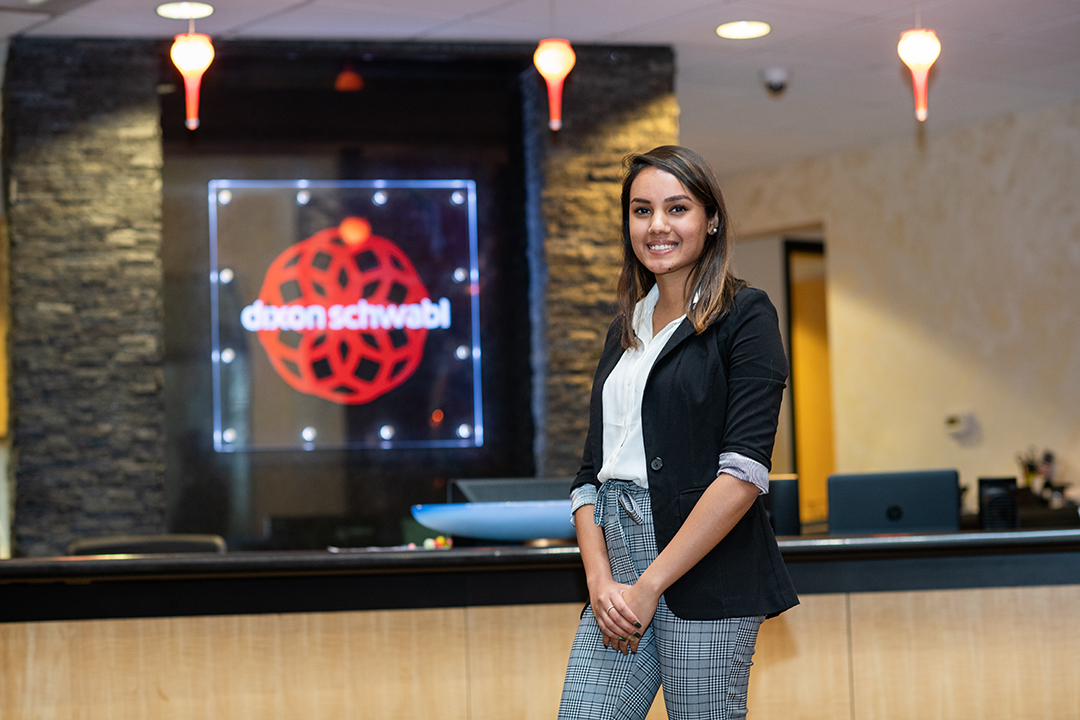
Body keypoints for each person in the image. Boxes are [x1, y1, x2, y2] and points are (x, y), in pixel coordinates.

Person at [558, 145, 798, 720]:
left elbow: (743, 473)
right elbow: (591, 474)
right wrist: (602, 580)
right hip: (615, 569)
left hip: (706, 570)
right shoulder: (625, 328)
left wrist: (650, 584)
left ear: (710, 220)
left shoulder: (746, 315)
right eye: (642, 211)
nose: (657, 225)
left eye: (677, 208)